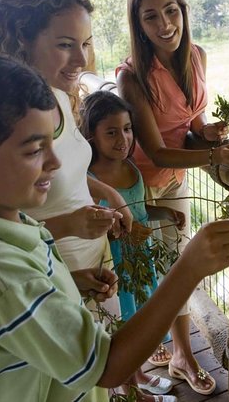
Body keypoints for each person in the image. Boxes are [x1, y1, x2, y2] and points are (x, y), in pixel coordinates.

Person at [0, 49, 229, 402]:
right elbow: (107, 367)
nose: (56, 163)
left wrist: (67, 284)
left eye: (51, 143)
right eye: (33, 150)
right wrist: (189, 267)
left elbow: (17, 298)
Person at [0, 0, 132, 319]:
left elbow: (64, 169)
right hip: (46, 278)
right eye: (65, 45)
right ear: (21, 38)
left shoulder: (55, 94)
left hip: (88, 266)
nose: (82, 61)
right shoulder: (3, 123)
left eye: (85, 44)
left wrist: (107, 193)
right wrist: (70, 226)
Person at [116, 0, 229, 395]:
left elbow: (190, 122)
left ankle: (174, 352)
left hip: (177, 177)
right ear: (139, 25)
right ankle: (174, 356)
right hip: (141, 185)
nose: (165, 24)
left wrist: (206, 133)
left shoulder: (197, 56)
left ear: (183, 11)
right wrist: (211, 156)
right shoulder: (131, 77)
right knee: (158, 268)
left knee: (175, 261)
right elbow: (155, 151)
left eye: (171, 11)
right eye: (151, 17)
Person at [81, 90, 186, 396]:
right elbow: (96, 225)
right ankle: (128, 387)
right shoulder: (89, 178)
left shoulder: (131, 169)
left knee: (140, 318)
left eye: (127, 130)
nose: (122, 139)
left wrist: (164, 212)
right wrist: (123, 232)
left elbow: (137, 210)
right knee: (122, 323)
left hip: (140, 262)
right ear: (91, 136)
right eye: (111, 132)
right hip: (114, 264)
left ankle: (137, 374)